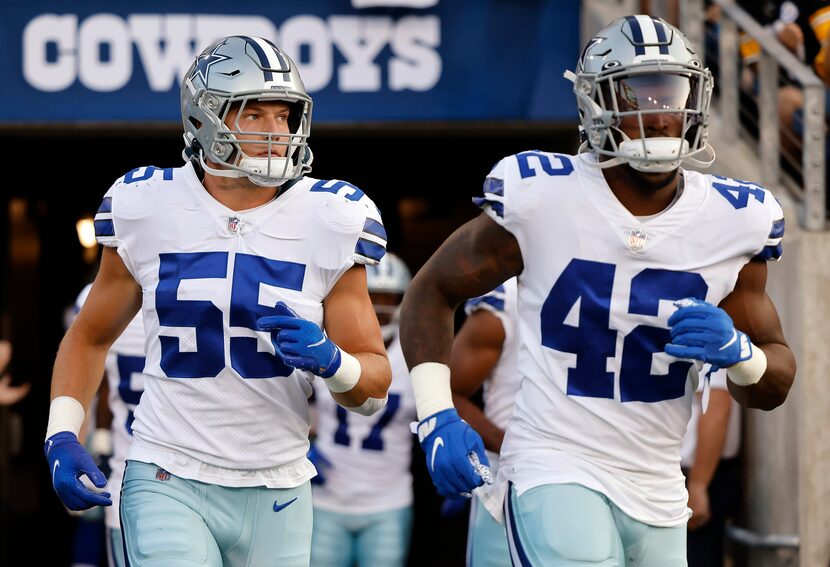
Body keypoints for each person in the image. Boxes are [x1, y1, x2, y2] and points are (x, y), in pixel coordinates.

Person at [400, 15, 796, 566]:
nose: (659, 113)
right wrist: (436, 414)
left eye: (672, 92)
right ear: (595, 104)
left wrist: (743, 357)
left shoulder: (736, 221)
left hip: (659, 484)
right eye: (637, 93)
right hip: (554, 463)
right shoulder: (545, 195)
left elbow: (772, 384)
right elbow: (432, 290)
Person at [44, 35, 392, 567]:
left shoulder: (331, 216)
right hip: (168, 471)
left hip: (279, 485)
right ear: (204, 118)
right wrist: (61, 434)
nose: (277, 131)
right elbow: (90, 337)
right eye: (254, 113)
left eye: (285, 114)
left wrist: (334, 363)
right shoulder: (146, 205)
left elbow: (372, 388)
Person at [309, 252, 417, 567]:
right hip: (327, 498)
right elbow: (294, 403)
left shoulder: (413, 356)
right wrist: (304, 444)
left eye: (388, 298)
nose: (380, 307)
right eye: (373, 297)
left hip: (388, 499)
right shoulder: (326, 346)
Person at [73, 282, 147, 567]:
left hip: (131, 480)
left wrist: (74, 443)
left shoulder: (96, 294)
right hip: (219, 482)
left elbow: (85, 382)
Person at [449, 278, 521, 567]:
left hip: (618, 478)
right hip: (512, 480)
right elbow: (447, 391)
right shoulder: (509, 297)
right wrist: (515, 446)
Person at [681, 370, 741, 567]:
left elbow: (717, 405)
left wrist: (698, 485)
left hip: (698, 475)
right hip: (686, 475)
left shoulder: (707, 339)